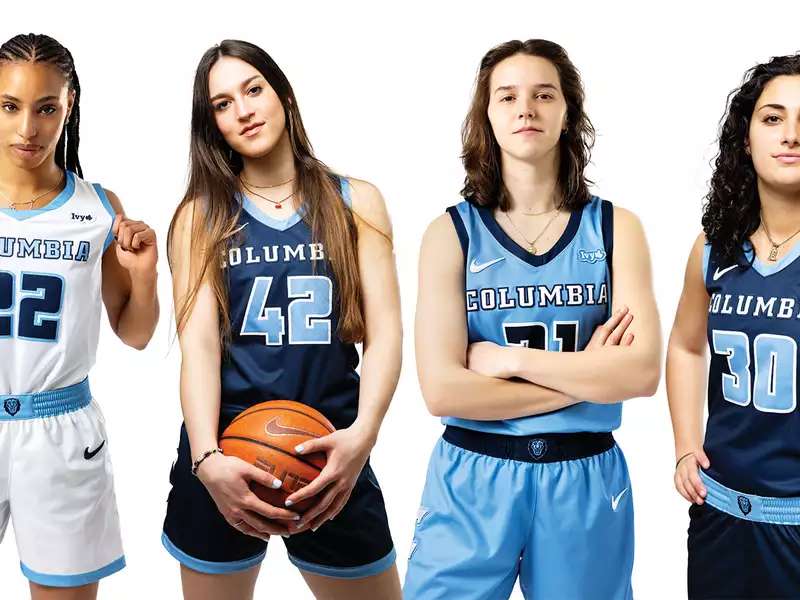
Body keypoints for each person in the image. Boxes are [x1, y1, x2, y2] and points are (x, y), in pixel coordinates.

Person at [403, 39, 661, 600]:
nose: (526, 109)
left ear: (568, 113)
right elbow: (444, 391)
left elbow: (641, 375)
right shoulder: (451, 233)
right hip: (474, 473)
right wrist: (589, 377)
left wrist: (512, 361)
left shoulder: (618, 229)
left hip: (585, 477)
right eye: (508, 96)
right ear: (486, 116)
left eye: (544, 94)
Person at [161, 40, 402, 600]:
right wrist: (206, 460)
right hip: (224, 449)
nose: (243, 110)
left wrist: (361, 439)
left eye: (253, 90)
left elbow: (386, 334)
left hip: (331, 448)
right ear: (212, 124)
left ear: (284, 97)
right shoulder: (200, 216)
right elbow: (198, 349)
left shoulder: (355, 201)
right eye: (222, 104)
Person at [0, 33, 159, 600]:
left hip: (59, 430)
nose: (28, 129)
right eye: (10, 106)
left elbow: (137, 334)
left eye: (47, 108)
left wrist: (143, 274)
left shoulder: (98, 207)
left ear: (70, 108)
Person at [667, 54, 800, 599]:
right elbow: (685, 346)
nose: (791, 135)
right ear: (745, 138)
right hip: (721, 514)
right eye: (773, 118)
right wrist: (683, 443)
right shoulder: (714, 249)